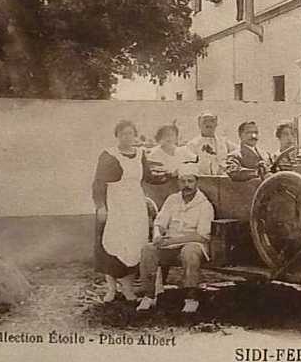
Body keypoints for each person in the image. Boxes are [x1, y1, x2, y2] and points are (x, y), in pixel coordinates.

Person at [92, 120, 159, 302]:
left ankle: (128, 288)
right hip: (115, 205)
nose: (127, 137)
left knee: (134, 244)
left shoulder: (140, 154)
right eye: (123, 134)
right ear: (117, 136)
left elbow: (149, 177)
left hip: (135, 206)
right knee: (112, 243)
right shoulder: (109, 155)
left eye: (130, 133)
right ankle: (111, 289)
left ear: (135, 135)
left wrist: (172, 173)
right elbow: (98, 183)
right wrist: (101, 206)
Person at [136, 164, 215, 314]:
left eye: (190, 181)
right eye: (183, 181)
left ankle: (191, 298)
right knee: (148, 250)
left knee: (189, 252)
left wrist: (172, 241)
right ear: (178, 183)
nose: (187, 185)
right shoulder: (172, 199)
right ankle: (149, 296)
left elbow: (202, 235)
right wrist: (158, 236)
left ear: (197, 182)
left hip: (193, 243)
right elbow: (159, 223)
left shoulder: (204, 205)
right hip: (169, 244)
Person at [144, 124, 198, 209]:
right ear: (159, 138)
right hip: (163, 188)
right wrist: (170, 173)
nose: (169, 138)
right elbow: (153, 174)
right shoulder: (155, 154)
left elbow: (196, 162)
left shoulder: (183, 151)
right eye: (165, 135)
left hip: (182, 186)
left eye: (172, 135)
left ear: (176, 137)